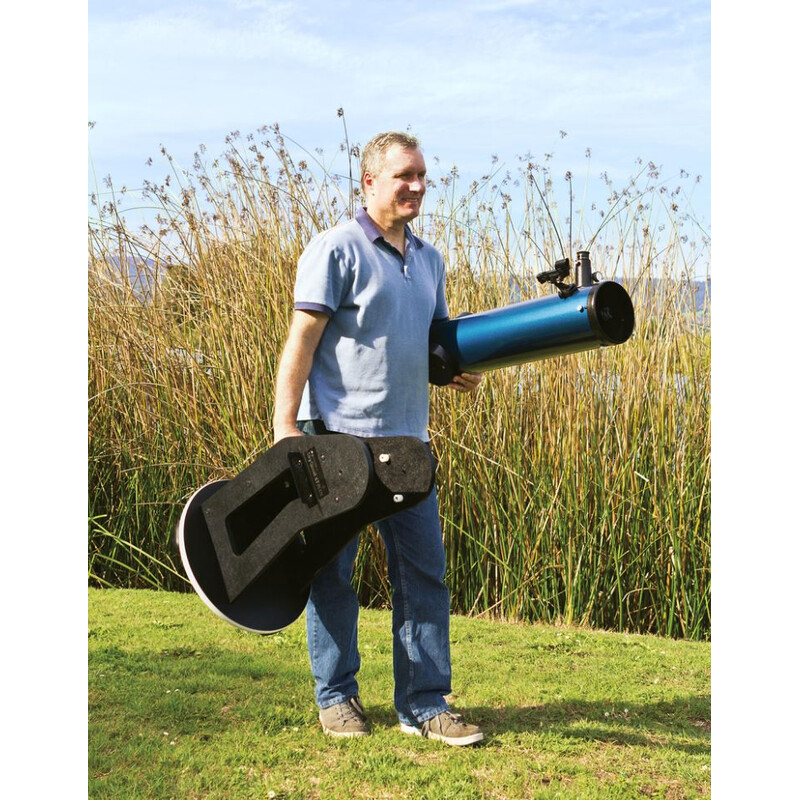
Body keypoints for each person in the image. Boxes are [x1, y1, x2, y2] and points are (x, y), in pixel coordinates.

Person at [272, 131, 484, 746]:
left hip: (409, 444)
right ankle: (337, 697)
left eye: (422, 176)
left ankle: (425, 703)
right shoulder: (335, 248)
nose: (417, 186)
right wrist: (286, 427)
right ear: (369, 181)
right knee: (332, 574)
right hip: (337, 441)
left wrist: (453, 369)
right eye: (403, 176)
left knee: (423, 575)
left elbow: (427, 343)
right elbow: (301, 341)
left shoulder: (430, 260)